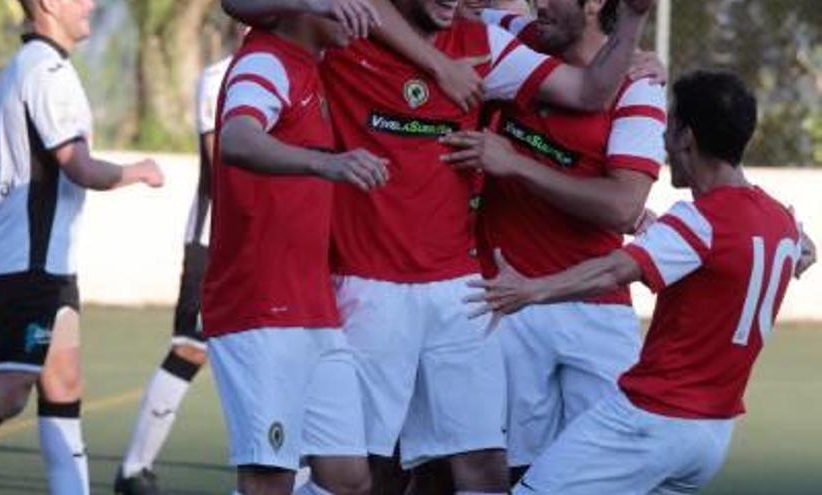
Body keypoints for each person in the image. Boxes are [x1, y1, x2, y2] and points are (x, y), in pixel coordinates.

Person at [222, 0, 656, 493]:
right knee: (364, 472)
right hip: (366, 286)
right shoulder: (346, 35)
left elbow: (588, 89)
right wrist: (436, 66)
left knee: (485, 467)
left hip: (460, 291)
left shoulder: (484, 43)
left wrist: (636, 25)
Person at [464, 69, 817, 494]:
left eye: (669, 127)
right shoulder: (780, 220)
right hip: (712, 435)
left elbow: (614, 270)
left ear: (687, 137)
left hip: (650, 420)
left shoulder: (701, 220)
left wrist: (530, 289)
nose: (664, 141)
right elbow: (804, 251)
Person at [0, 0, 164, 493]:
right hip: (33, 266)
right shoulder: (48, 71)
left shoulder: (24, 68)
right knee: (6, 392)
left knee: (62, 386)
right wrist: (138, 172)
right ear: (48, 4)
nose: (91, 4)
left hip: (41, 264)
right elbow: (78, 165)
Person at [442, 0, 666, 482]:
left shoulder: (638, 86)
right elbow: (451, 13)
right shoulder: (512, 35)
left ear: (594, 6)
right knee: (491, 469)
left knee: (603, 472)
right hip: (503, 299)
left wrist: (518, 163)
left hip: (595, 304)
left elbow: (623, 206)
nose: (538, 3)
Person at [202, 4, 392, 494]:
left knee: (348, 481)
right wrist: (324, 165)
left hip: (312, 310)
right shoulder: (265, 61)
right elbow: (238, 139)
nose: (358, 14)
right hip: (260, 309)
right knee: (269, 481)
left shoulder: (314, 66)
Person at [114, 21, 247, 495]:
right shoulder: (220, 77)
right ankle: (133, 469)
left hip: (273, 245)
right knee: (191, 349)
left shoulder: (305, 72)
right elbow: (223, 168)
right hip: (217, 239)